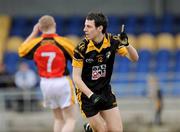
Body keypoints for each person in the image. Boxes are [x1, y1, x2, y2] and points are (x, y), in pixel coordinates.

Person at [72, 12, 139, 132]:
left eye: (88, 26)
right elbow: (76, 78)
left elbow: (134, 58)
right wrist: (91, 96)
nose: (84, 29)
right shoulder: (81, 48)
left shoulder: (112, 41)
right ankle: (92, 128)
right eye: (85, 25)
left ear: (100, 28)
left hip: (105, 92)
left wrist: (127, 45)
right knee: (102, 130)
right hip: (87, 95)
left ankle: (90, 129)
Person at [18, 15, 77, 132]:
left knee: (58, 119)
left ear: (39, 28)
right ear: (54, 25)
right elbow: (79, 57)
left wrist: (33, 33)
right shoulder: (63, 42)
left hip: (45, 83)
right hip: (62, 81)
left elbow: (21, 50)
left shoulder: (35, 43)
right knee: (71, 119)